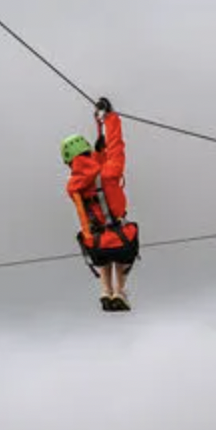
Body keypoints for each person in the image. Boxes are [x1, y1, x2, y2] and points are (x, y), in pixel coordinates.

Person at [62, 97, 139, 312]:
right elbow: (115, 146)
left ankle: (105, 290)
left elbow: (89, 167)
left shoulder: (72, 186)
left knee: (105, 250)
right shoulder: (109, 171)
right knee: (121, 244)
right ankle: (120, 291)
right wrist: (110, 118)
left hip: (95, 245)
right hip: (121, 239)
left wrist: (99, 126)